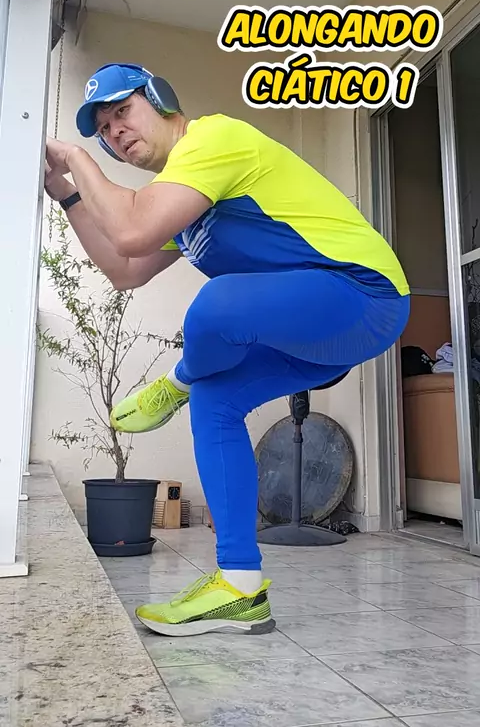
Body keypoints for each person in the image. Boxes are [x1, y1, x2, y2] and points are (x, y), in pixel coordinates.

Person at [45, 62, 410, 638]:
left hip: (365, 296)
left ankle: (179, 381)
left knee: (215, 305)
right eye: (104, 130)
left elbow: (132, 227)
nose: (115, 131)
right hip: (315, 336)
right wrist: (68, 195)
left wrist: (75, 157)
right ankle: (239, 585)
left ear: (161, 98)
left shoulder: (215, 137)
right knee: (216, 403)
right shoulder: (184, 205)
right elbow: (124, 267)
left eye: (123, 111)